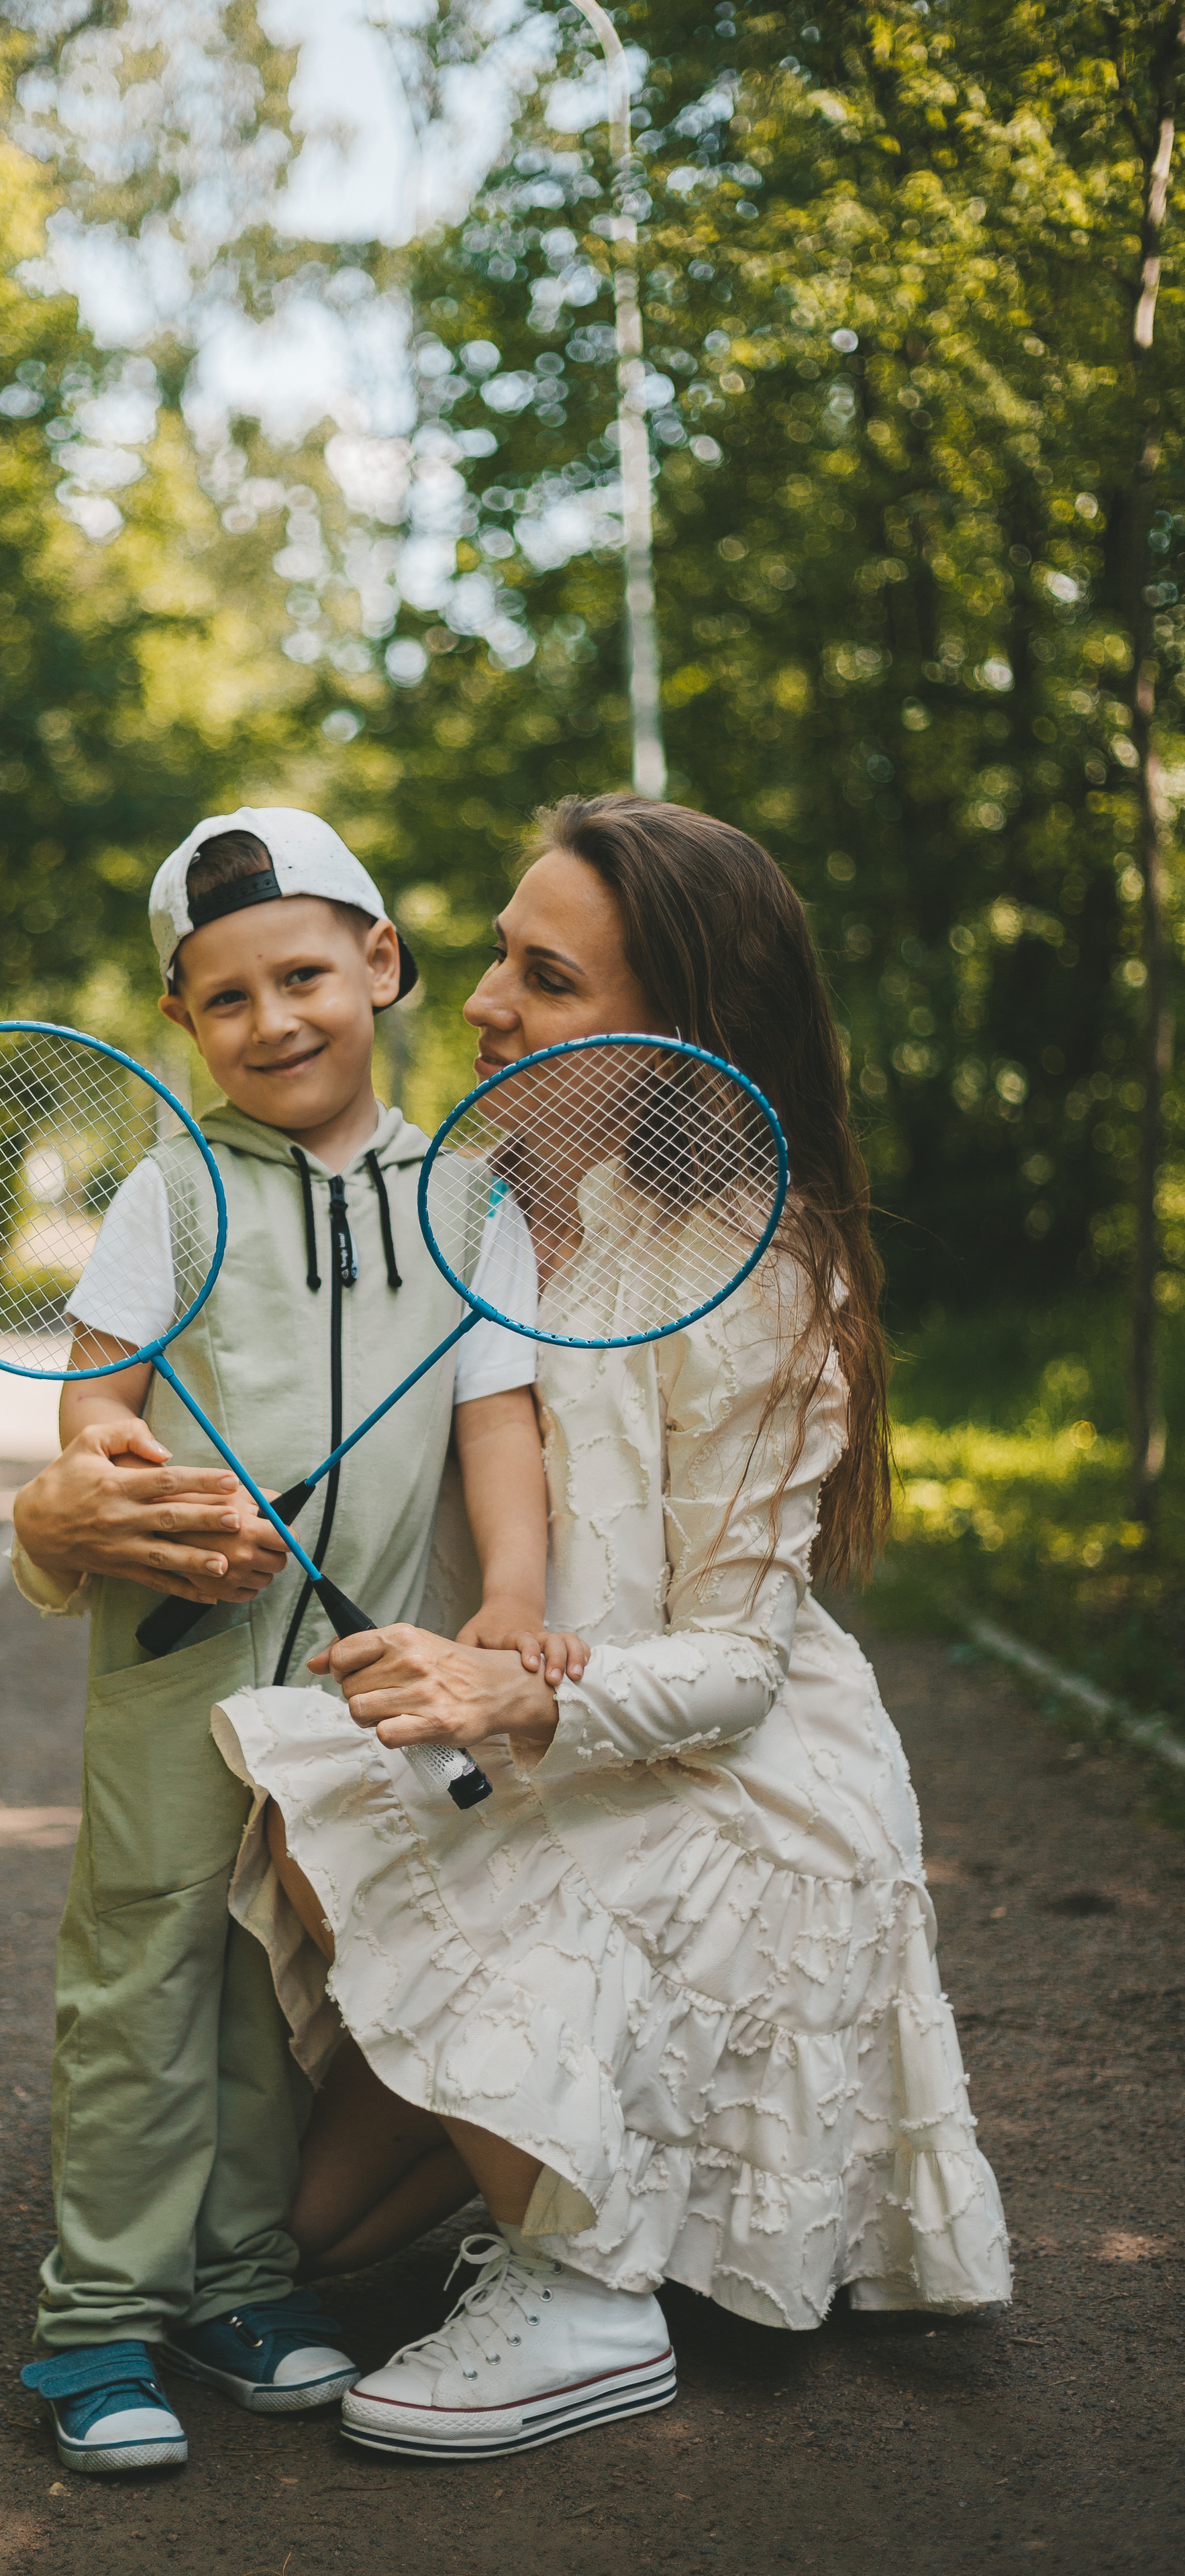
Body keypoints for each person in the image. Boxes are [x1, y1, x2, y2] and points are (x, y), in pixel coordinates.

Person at [208, 794, 1013, 2463]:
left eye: (548, 977)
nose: (484, 998)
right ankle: (591, 2161)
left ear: (676, 1040)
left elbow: (733, 1664)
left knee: (326, 1804)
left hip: (716, 1784)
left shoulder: (760, 1268)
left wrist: (503, 1699)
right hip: (515, 1737)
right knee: (315, 2239)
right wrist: (71, 1509)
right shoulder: (450, 1186)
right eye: (500, 952)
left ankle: (586, 2299)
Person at [11, 807, 568, 2474]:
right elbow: (86, 1412)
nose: (276, 1022)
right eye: (227, 997)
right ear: (183, 1023)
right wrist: (105, 1470)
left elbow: (499, 1434)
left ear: (381, 968)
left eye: (306, 975)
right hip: (177, 1657)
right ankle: (95, 2322)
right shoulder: (167, 1198)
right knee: (144, 1975)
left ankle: (237, 2284)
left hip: (351, 1672)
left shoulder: (471, 1206)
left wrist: (513, 1600)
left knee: (278, 1980)